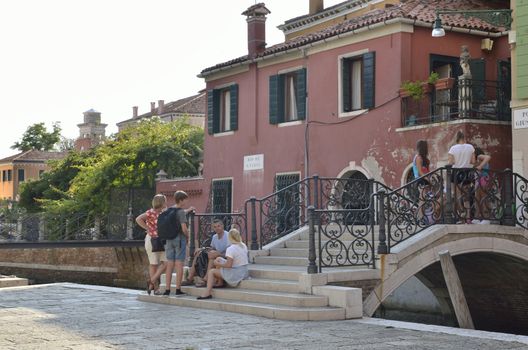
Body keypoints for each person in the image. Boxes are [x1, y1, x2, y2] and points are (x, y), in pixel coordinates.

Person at [197, 228, 249, 300]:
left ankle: (207, 292)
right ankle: (220, 282)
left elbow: (229, 265)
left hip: (236, 274)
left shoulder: (231, 249)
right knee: (219, 259)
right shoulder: (243, 245)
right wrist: (218, 261)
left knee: (211, 271)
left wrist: (216, 263)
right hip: (244, 271)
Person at [182, 219, 230, 287]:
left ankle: (205, 280)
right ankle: (190, 278)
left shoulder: (228, 236)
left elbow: (230, 253)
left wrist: (218, 254)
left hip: (225, 258)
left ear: (222, 226)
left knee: (212, 257)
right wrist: (202, 249)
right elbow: (212, 248)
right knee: (199, 253)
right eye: (215, 227)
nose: (217, 228)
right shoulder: (214, 237)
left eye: (218, 226)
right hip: (217, 256)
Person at [136, 194, 167, 295]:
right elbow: (138, 219)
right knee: (153, 264)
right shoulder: (150, 212)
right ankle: (156, 288)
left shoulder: (164, 212)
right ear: (161, 202)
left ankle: (152, 281)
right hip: (152, 240)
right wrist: (148, 228)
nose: (166, 202)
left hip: (162, 240)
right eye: (165, 201)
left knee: (165, 263)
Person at [163, 190, 192, 296]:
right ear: (181, 200)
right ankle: (178, 289)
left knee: (170, 265)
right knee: (179, 264)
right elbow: (184, 228)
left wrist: (188, 210)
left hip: (169, 239)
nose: (186, 201)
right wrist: (188, 236)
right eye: (185, 199)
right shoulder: (180, 212)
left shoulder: (169, 210)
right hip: (179, 239)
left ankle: (167, 289)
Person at [448, 131, 476, 223]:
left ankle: (460, 216)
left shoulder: (453, 148)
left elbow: (451, 163)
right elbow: (473, 161)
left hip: (456, 173)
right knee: (466, 196)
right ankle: (468, 218)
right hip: (467, 173)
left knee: (456, 195)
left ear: (456, 138)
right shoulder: (470, 147)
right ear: (464, 138)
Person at [413, 140, 434, 224]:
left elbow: (427, 170)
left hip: (425, 179)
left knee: (426, 198)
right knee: (422, 199)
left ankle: (422, 217)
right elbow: (419, 171)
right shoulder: (418, 158)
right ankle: (420, 218)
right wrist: (427, 179)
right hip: (421, 179)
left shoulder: (424, 158)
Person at [472, 147, 492, 224]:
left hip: (483, 178)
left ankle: (486, 218)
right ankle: (477, 217)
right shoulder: (477, 160)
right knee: (477, 198)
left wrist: (480, 166)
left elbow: (488, 157)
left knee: (483, 198)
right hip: (478, 179)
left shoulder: (480, 156)